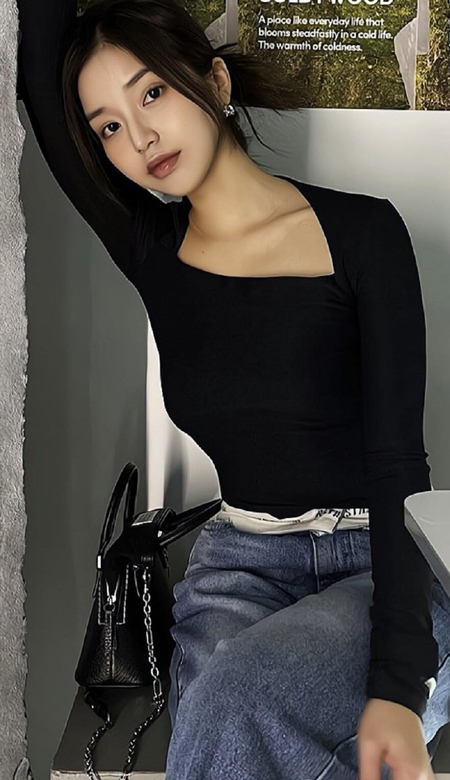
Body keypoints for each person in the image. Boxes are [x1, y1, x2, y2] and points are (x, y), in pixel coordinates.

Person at [16, 0, 450, 778]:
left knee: (234, 699)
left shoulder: (364, 235)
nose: (139, 137)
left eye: (152, 93)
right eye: (108, 125)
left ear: (215, 82)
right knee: (225, 717)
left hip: (380, 561)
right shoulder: (153, 253)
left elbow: (397, 465)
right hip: (240, 563)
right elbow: (42, 95)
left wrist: (397, 681)